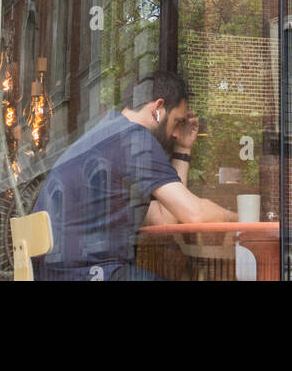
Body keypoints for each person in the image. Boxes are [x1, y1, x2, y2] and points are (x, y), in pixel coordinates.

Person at [32, 70, 235, 281]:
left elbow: (165, 218)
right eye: (177, 121)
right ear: (158, 108)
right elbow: (194, 214)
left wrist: (183, 150)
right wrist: (239, 219)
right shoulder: (134, 138)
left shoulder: (106, 134)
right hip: (89, 273)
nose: (176, 133)